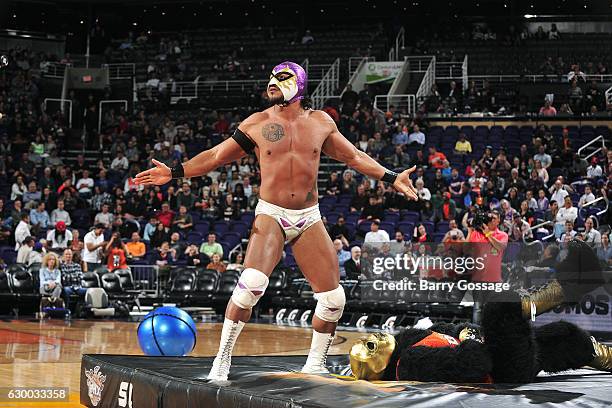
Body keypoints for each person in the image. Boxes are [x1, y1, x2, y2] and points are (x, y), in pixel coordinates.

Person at [135, 61, 417, 380]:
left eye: (281, 78)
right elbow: (215, 156)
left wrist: (392, 177)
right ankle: (222, 361)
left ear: (298, 84)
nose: (272, 82)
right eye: (270, 77)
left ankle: (315, 364)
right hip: (272, 212)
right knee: (250, 287)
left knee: (334, 299)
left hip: (309, 216)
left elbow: (353, 157)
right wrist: (174, 172)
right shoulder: (256, 124)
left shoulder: (321, 122)